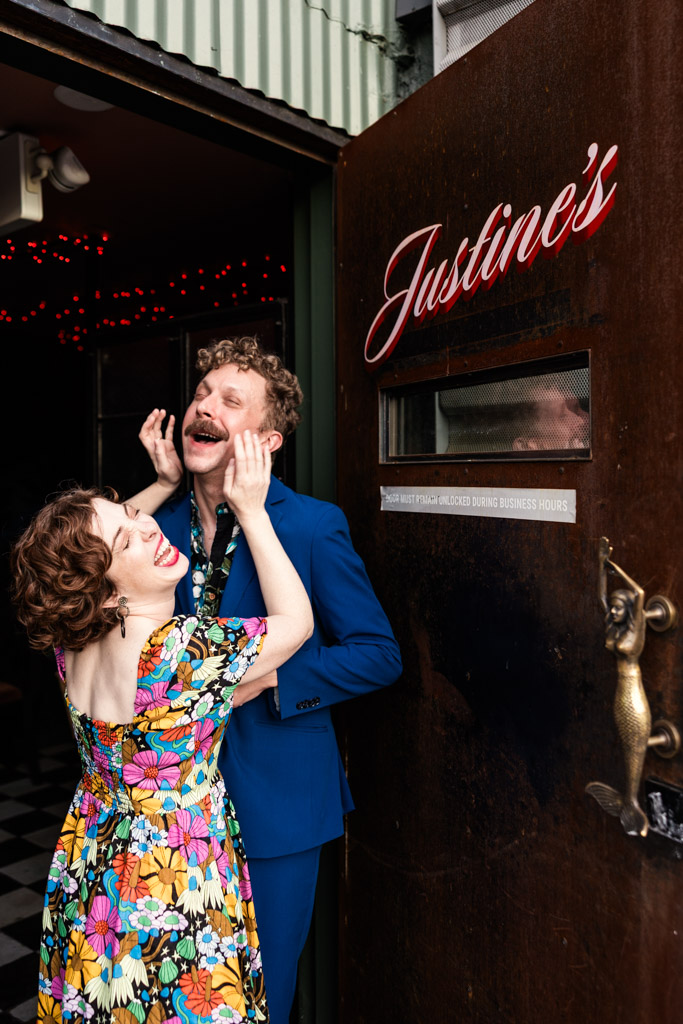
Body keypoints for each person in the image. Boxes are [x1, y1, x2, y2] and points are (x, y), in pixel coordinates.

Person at [139, 336, 402, 1024]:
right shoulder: (148, 527)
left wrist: (269, 685)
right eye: (202, 392)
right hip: (166, 810)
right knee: (177, 991)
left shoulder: (312, 526)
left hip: (276, 807)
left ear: (267, 439)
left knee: (259, 992)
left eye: (231, 400)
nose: (205, 405)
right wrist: (165, 484)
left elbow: (377, 653)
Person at [11, 430, 313, 1022]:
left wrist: (161, 488)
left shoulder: (70, 646)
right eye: (128, 537)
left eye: (133, 511)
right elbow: (295, 622)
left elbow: (96, 549)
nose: (149, 526)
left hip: (94, 863)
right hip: (173, 879)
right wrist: (252, 513)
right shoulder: (181, 651)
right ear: (102, 588)